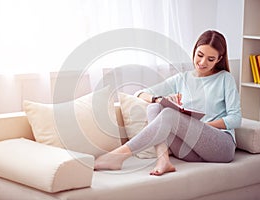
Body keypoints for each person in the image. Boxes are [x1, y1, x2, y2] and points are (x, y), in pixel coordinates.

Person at [94, 30, 242, 176]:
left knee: (170, 115)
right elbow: (139, 93)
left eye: (210, 59)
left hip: (221, 146)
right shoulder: (181, 79)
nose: (203, 63)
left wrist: (199, 126)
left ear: (219, 59)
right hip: (190, 150)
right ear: (195, 50)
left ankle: (118, 156)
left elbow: (235, 118)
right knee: (154, 107)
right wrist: (157, 99)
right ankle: (163, 159)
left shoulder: (224, 78)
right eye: (200, 55)